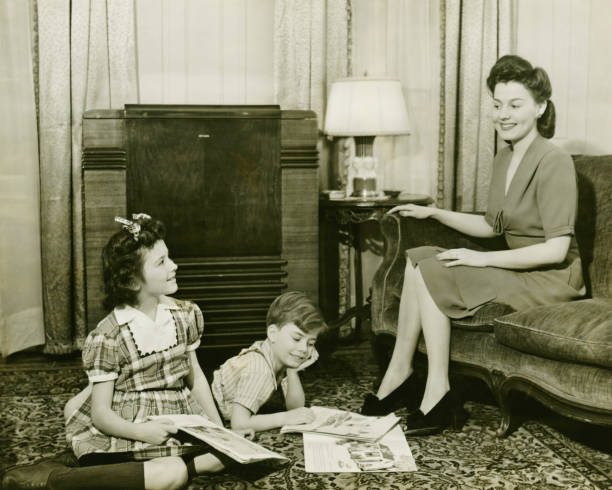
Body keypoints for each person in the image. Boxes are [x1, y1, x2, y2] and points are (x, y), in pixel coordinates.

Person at [361, 55, 585, 436]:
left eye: (515, 105)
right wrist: (434, 214)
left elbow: (555, 250)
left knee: (432, 267)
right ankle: (400, 371)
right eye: (498, 105)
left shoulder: (554, 160)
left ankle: (437, 392)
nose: (504, 114)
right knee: (420, 258)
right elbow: (489, 224)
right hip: (520, 266)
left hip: (551, 277)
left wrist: (480, 262)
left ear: (540, 107)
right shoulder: (504, 157)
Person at [3, 214, 240, 490]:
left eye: (169, 257)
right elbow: (101, 413)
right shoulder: (109, 335)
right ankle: (56, 480)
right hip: (130, 422)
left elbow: (195, 377)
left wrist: (220, 430)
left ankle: (119, 469)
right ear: (132, 281)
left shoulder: (186, 315)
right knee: (171, 475)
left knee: (231, 454)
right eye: (161, 262)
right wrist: (142, 432)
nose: (174, 266)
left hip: (176, 415)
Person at [211, 291, 327, 432]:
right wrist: (284, 418)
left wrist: (293, 371)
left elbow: (296, 410)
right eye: (297, 339)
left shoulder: (280, 357)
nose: (304, 349)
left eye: (310, 343)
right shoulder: (259, 368)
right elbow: (239, 424)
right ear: (273, 334)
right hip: (202, 411)